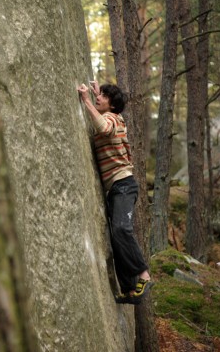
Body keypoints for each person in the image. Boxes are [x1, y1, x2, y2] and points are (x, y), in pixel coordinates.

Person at [77, 80, 154, 305]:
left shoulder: (113, 119)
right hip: (115, 188)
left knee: (121, 229)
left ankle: (144, 275)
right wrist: (98, 92)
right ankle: (131, 289)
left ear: (112, 105)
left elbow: (104, 127)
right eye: (98, 95)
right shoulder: (111, 114)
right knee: (116, 238)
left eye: (103, 96)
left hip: (123, 184)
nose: (97, 97)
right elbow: (104, 117)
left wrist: (86, 100)